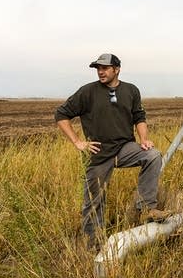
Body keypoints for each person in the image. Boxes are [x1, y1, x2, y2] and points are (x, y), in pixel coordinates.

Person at [55, 53, 170, 249]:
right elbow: (61, 114)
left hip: (125, 147)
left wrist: (143, 139)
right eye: (98, 68)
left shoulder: (131, 90)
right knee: (93, 201)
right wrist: (78, 142)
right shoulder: (87, 92)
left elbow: (139, 117)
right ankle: (94, 245)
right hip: (99, 153)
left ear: (117, 69)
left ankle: (146, 207)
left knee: (152, 155)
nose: (100, 72)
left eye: (105, 68)